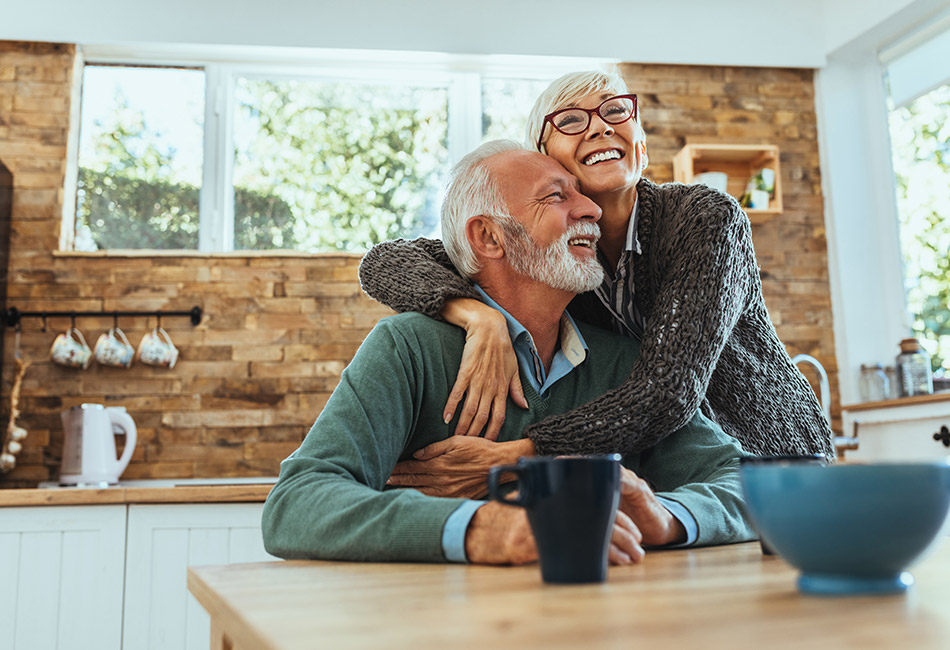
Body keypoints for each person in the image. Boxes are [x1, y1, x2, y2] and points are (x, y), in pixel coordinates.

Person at [262, 140, 755, 565]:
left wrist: (666, 517)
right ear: (489, 236)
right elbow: (297, 503)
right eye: (557, 197)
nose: (591, 210)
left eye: (581, 194)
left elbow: (745, 484)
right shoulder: (408, 348)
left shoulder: (624, 363)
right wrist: (483, 528)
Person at [358, 70, 833, 498]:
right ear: (546, 161)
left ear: (641, 145)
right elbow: (385, 261)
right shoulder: (552, 256)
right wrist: (475, 314)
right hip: (670, 479)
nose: (601, 126)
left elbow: (668, 391)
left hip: (770, 459)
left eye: (614, 111)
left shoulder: (705, 218)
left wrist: (517, 455)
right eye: (569, 120)